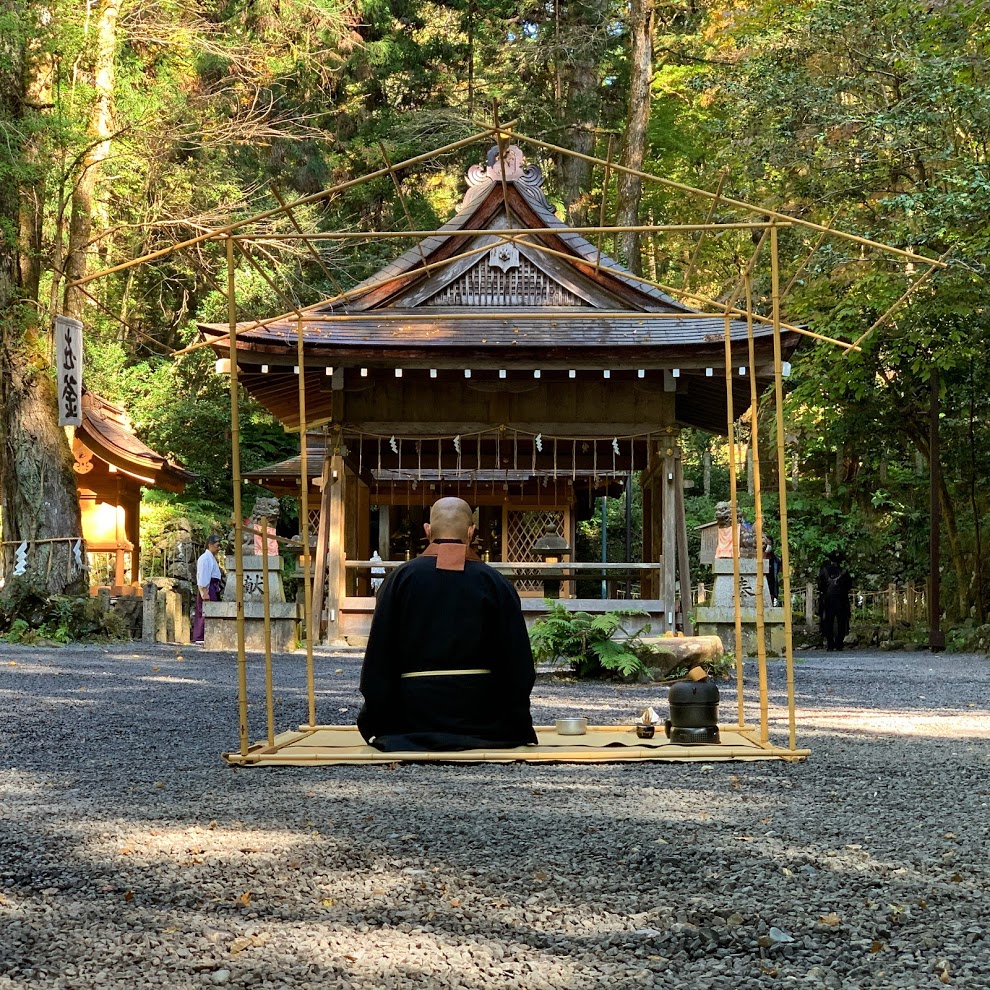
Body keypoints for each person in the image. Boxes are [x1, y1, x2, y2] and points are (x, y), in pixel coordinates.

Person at [357, 496, 538, 752]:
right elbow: (517, 663)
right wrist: (514, 715)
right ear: (472, 532)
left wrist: (378, 716)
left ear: (427, 531)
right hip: (482, 717)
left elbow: (379, 657)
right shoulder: (495, 583)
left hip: (411, 717)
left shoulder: (400, 579)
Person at [817, 552, 852, 651]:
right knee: (842, 621)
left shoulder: (824, 571)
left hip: (828, 599)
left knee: (828, 620)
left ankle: (830, 643)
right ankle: (839, 643)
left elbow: (820, 586)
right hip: (842, 599)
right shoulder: (844, 572)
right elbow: (849, 586)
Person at [193, 535, 223, 644]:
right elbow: (204, 576)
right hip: (208, 587)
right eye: (217, 545)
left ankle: (206, 635)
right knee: (204, 611)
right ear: (210, 545)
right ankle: (200, 636)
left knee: (210, 611)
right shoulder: (205, 558)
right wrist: (204, 592)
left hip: (213, 587)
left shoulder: (210, 558)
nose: (219, 548)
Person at [764, 535, 782, 607]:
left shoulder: (775, 560)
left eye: (769, 544)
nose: (768, 546)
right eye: (766, 544)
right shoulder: (757, 558)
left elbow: (777, 573)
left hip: (771, 586)